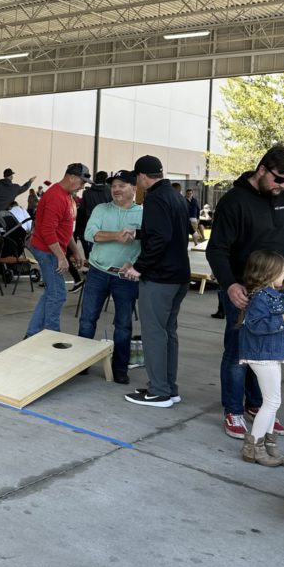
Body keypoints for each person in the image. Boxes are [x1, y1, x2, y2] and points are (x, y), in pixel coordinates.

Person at [205, 145, 284, 439]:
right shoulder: (233, 202)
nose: (283, 186)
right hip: (243, 291)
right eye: (279, 179)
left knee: (266, 351)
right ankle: (233, 410)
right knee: (238, 352)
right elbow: (217, 250)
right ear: (262, 170)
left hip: (278, 289)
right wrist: (230, 284)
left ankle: (259, 407)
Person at [121, 156, 191, 407]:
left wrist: (139, 267)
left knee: (153, 334)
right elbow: (171, 233)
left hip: (160, 278)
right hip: (179, 276)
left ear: (141, 176)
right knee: (168, 333)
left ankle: (159, 391)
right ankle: (169, 388)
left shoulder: (155, 198)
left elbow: (161, 238)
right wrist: (140, 233)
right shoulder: (175, 196)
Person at [237, 250, 284, 467]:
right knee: (272, 401)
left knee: (273, 402)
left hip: (270, 353)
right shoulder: (260, 297)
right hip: (262, 355)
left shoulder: (273, 295)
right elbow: (256, 325)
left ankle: (268, 445)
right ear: (268, 273)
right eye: (281, 270)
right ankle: (253, 446)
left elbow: (275, 321)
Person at [79, 170, 143, 385]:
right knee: (87, 320)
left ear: (134, 189)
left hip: (125, 277)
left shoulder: (143, 214)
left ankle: (120, 368)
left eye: (121, 185)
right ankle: (81, 364)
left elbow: (148, 245)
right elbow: (89, 234)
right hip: (97, 272)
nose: (115, 189)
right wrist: (117, 235)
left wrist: (135, 265)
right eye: (113, 185)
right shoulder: (101, 209)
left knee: (123, 324)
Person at [25, 163, 90, 338]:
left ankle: (32, 334)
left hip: (51, 249)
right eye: (82, 182)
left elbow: (64, 229)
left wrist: (75, 251)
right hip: (47, 250)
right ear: (72, 177)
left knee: (51, 293)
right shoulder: (56, 197)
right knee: (58, 294)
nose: (83, 186)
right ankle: (51, 335)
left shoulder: (67, 196)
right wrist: (61, 257)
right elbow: (47, 231)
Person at [0, 168, 35, 245]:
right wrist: (30, 181)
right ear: (11, 177)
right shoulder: (15, 188)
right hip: (2, 215)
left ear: (4, 176)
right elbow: (24, 188)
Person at [75, 170, 112, 258]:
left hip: (91, 222)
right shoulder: (110, 191)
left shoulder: (87, 193)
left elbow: (82, 208)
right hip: (107, 223)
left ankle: (92, 265)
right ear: (105, 179)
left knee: (92, 245)